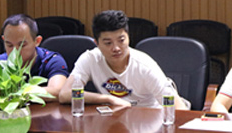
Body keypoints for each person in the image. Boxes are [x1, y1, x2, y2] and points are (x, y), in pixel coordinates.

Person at [59, 10, 187, 110]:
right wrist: (107, 99)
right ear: (96, 43)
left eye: (121, 40)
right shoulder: (90, 59)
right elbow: (65, 94)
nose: (116, 48)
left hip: (149, 121)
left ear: (128, 38)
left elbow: (179, 107)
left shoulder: (145, 65)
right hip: (114, 122)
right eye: (108, 43)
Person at [0, 14, 68, 99]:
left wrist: (18, 93)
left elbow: (57, 91)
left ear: (37, 41)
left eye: (22, 45)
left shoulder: (52, 60)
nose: (15, 51)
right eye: (9, 45)